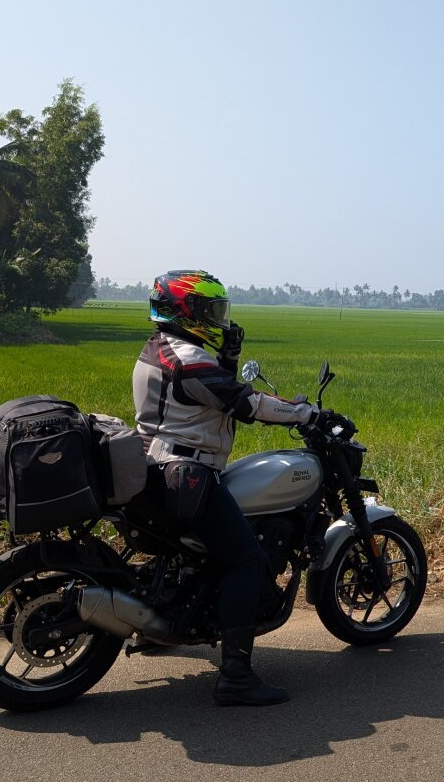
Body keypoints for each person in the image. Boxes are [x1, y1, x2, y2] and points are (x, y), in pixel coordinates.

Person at [132, 269, 315, 707]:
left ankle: (155, 628)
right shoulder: (189, 359)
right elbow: (245, 403)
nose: (218, 319)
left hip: (155, 466)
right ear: (186, 311)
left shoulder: (159, 349)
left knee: (193, 554)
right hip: (186, 474)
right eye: (209, 310)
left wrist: (228, 359)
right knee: (247, 560)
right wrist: (303, 413)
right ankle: (236, 676)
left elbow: (208, 397)